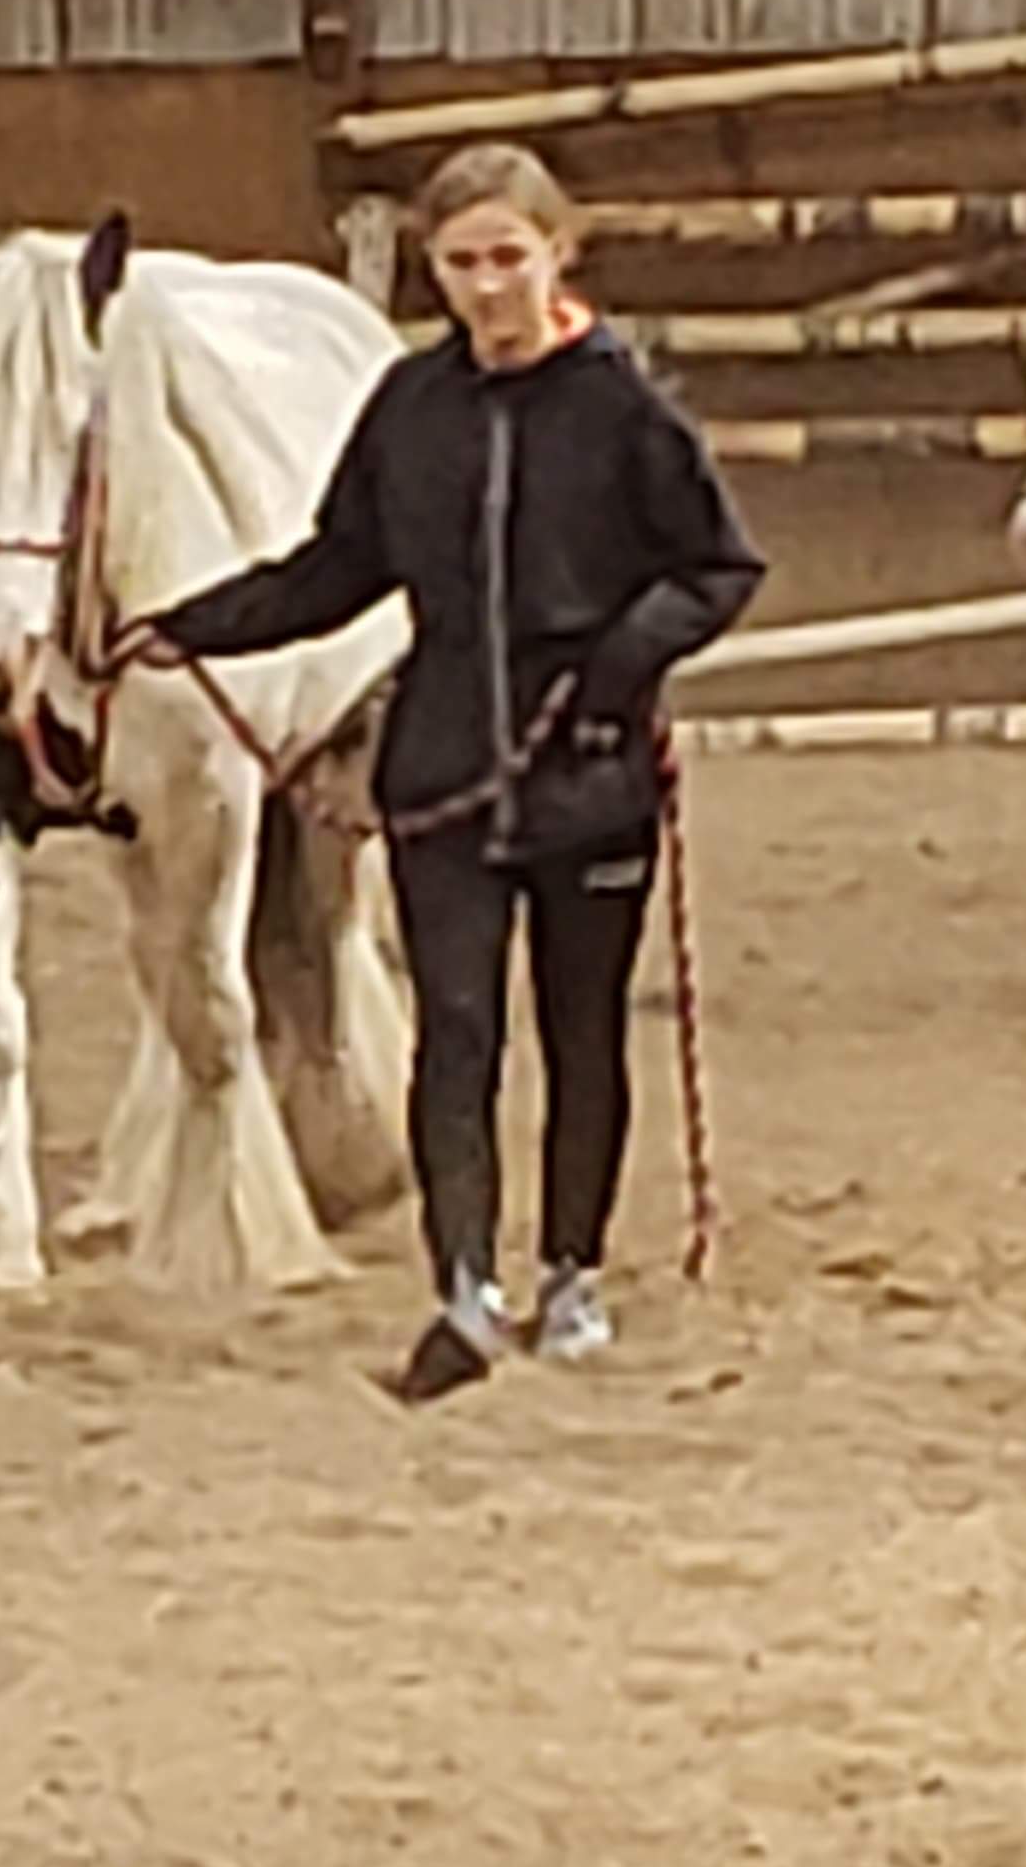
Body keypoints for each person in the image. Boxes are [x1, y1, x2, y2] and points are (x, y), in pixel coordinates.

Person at [136, 140, 764, 1405]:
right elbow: (338, 566)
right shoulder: (411, 410)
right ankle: (463, 1279)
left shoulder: (625, 411)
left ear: (557, 254)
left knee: (582, 1032)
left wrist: (618, 668)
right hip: (442, 773)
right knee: (456, 1031)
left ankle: (571, 1269)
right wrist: (195, 622)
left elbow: (717, 569)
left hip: (586, 769)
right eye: (461, 265)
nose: (486, 289)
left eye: (507, 260)